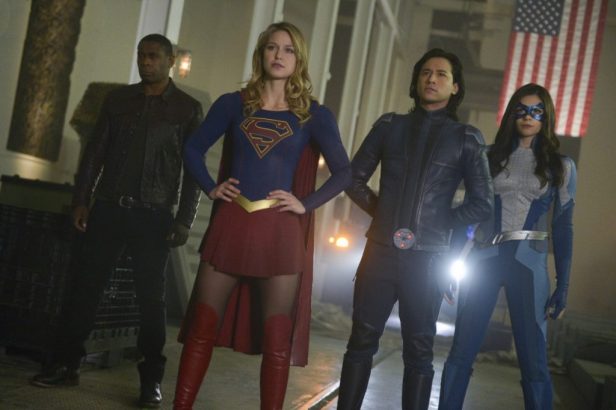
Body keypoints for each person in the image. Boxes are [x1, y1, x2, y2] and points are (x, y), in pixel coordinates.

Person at [172, 21, 351, 410]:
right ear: (261, 54)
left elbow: (345, 172)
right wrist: (211, 187)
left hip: (280, 231)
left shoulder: (313, 115)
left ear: (299, 59)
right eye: (272, 47)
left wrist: (306, 203)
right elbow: (192, 149)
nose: (279, 55)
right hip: (232, 223)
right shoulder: (232, 104)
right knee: (202, 328)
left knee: (276, 341)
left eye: (288, 50)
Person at [30, 34, 203, 408]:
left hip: (154, 215)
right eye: (141, 55)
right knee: (84, 288)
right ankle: (66, 365)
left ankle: (151, 380)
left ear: (170, 61)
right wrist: (82, 200)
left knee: (151, 301)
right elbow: (95, 153)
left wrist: (184, 219)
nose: (146, 62)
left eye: (153, 56)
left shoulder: (187, 109)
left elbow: (194, 172)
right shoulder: (118, 100)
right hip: (109, 208)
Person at [337, 48, 494, 410]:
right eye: (425, 72)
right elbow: (352, 179)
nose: (431, 79)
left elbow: (482, 203)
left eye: (441, 74)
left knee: (419, 350)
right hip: (379, 252)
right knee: (361, 340)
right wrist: (384, 214)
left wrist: (438, 224)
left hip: (427, 261)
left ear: (455, 87)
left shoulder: (467, 138)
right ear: (416, 80)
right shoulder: (389, 126)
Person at [438, 83, 576, 410]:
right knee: (461, 351)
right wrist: (448, 265)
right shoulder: (487, 157)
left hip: (529, 265)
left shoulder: (561, 165)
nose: (528, 117)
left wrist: (563, 285)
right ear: (512, 114)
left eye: (536, 111)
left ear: (546, 117)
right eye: (521, 110)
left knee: (533, 359)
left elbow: (563, 226)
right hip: (484, 258)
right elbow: (466, 213)